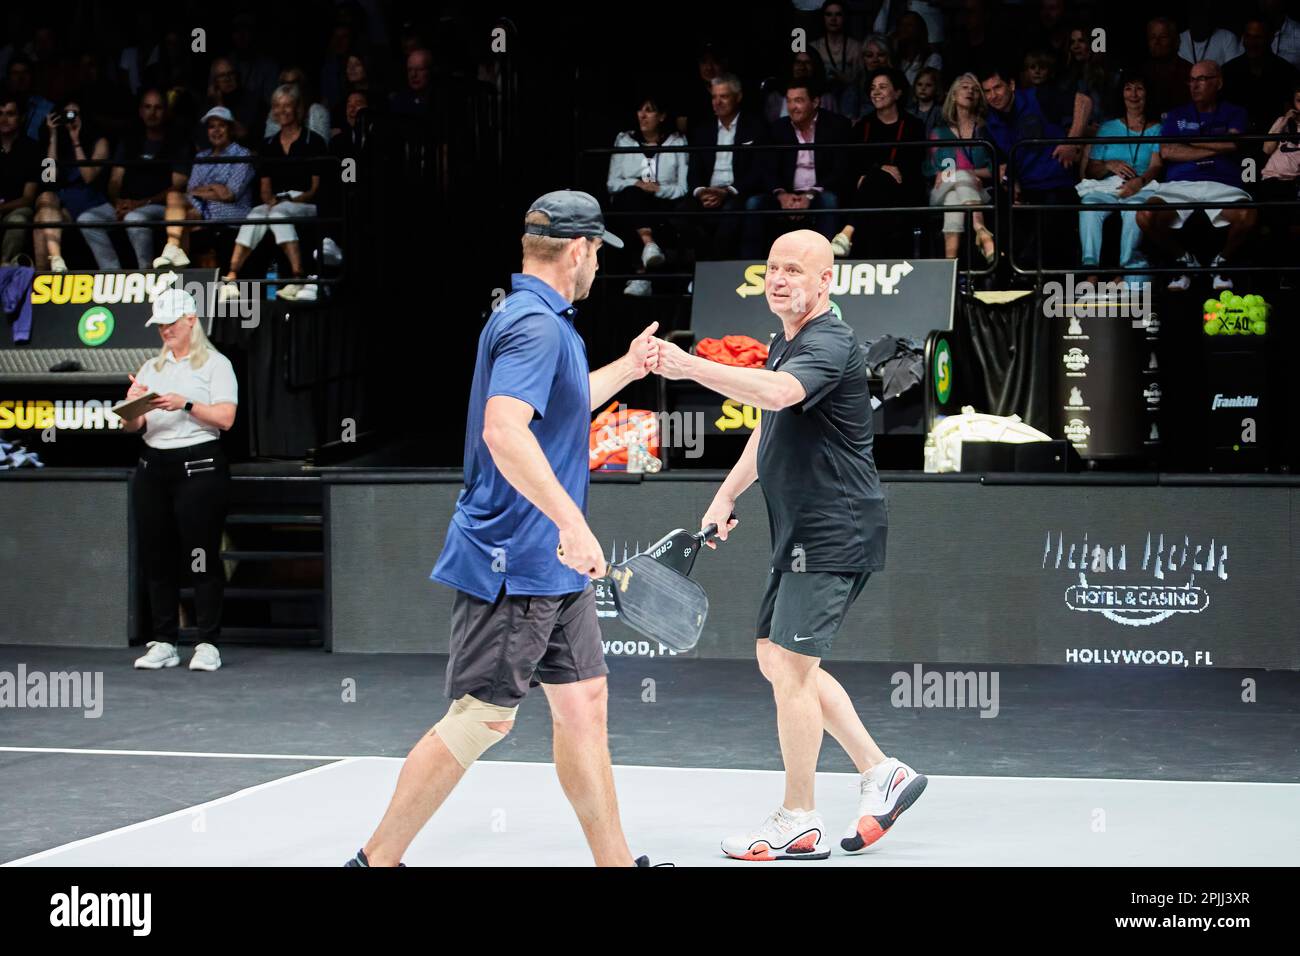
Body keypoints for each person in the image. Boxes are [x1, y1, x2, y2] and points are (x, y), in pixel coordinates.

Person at [347, 191, 668, 868]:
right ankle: (375, 861)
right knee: (482, 717)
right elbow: (503, 429)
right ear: (579, 250)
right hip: (515, 556)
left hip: (549, 559)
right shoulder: (536, 325)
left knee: (584, 705)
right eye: (596, 255)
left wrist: (629, 369)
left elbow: (558, 406)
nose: (596, 268)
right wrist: (572, 522)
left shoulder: (534, 317)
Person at [650, 229, 924, 861]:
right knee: (777, 658)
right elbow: (772, 423)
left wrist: (688, 364)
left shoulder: (829, 341)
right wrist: (727, 495)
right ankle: (882, 773)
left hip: (836, 528)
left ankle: (798, 818)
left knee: (792, 673)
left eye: (794, 270)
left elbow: (775, 395)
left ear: (825, 282)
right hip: (801, 531)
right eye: (772, 268)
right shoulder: (787, 339)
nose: (778, 279)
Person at [120, 288, 238, 674]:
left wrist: (184, 403)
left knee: (200, 555)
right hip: (153, 466)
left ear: (190, 320)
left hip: (199, 467)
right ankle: (165, 640)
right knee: (157, 557)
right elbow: (134, 427)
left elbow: (226, 418)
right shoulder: (153, 368)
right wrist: (132, 404)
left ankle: (207, 642)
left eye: (171, 323)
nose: (165, 331)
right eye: (160, 325)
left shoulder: (216, 365)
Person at [1136, 61, 1256, 291]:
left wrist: (1187, 143)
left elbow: (1233, 143)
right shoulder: (1176, 114)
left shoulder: (1235, 112)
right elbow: (1168, 151)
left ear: (1218, 83)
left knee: (1248, 215)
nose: (1194, 85)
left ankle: (1221, 263)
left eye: (1201, 79)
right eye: (1191, 79)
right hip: (1180, 184)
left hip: (1222, 183)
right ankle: (1184, 260)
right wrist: (1217, 146)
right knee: (1144, 215)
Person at [219, 84, 327, 303]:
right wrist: (271, 201)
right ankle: (231, 276)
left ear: (298, 108)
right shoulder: (268, 144)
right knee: (256, 214)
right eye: (278, 106)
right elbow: (265, 188)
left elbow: (315, 189)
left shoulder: (314, 141)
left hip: (306, 202)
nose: (283, 111)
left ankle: (297, 276)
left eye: (288, 106)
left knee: (278, 213)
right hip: (277, 201)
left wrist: (285, 201)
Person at [981, 66, 1084, 271]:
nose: (993, 95)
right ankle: (1004, 275)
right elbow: (1002, 166)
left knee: (1048, 219)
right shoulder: (990, 124)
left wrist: (1072, 141)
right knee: (998, 213)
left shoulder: (1038, 96)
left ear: (1011, 85)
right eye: (987, 91)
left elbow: (1084, 101)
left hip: (1057, 184)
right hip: (1026, 189)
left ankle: (1026, 273)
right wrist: (1011, 184)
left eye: (997, 88)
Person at [77, 88, 191, 270]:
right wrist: (118, 202)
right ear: (140, 111)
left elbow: (177, 187)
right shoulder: (130, 140)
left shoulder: (178, 141)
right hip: (126, 204)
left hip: (158, 205)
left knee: (134, 218)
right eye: (147, 107)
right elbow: (115, 179)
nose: (152, 113)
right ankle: (111, 272)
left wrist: (139, 204)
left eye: (158, 108)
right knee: (87, 219)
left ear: (166, 112)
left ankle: (144, 272)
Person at [743, 80, 850, 257]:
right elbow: (766, 168)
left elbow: (841, 169)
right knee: (754, 203)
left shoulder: (836, 125)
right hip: (787, 194)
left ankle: (825, 263)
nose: (793, 107)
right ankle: (747, 268)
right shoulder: (777, 128)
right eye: (790, 101)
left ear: (815, 102)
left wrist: (810, 194)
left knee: (829, 201)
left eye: (799, 100)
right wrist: (781, 194)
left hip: (819, 192)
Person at [1077, 74, 1163, 287]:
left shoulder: (1157, 128)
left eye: (1139, 89)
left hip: (1142, 185)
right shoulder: (1107, 128)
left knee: (1135, 207)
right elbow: (1090, 171)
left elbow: (1156, 166)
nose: (1133, 95)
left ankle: (1125, 270)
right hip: (1108, 186)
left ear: (1148, 94)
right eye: (1128, 89)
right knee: (1089, 206)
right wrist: (1108, 165)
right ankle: (1091, 271)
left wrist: (1139, 182)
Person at [831, 67, 926, 258]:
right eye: (873, 87)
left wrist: (874, 172)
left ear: (897, 93)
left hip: (903, 188)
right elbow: (851, 164)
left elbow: (912, 165)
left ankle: (848, 231)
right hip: (866, 188)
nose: (876, 91)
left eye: (882, 87)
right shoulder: (862, 126)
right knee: (876, 180)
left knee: (876, 179)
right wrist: (877, 169)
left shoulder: (913, 125)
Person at [605, 93, 688, 296]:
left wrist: (659, 189)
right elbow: (612, 183)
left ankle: (642, 275)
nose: (642, 115)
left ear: (661, 116)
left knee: (639, 206)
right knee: (631, 196)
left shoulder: (677, 142)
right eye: (640, 110)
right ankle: (648, 245)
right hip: (630, 204)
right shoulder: (624, 140)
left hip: (664, 204)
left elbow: (683, 187)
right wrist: (637, 183)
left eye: (649, 110)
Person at [154, 106, 255, 271]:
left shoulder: (242, 154)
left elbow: (229, 194)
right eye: (211, 126)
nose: (216, 131)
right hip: (200, 211)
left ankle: (176, 273)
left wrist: (207, 188)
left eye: (221, 126)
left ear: (230, 129)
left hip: (230, 215)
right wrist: (215, 188)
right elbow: (191, 191)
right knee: (174, 195)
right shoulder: (201, 157)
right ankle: (172, 248)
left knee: (184, 219)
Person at [681, 74, 767, 260]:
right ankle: (700, 270)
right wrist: (701, 192)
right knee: (682, 211)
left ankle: (716, 270)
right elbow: (693, 171)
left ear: (738, 97)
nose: (717, 102)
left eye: (724, 96)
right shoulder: (703, 130)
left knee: (732, 212)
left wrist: (728, 191)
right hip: (708, 192)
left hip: (736, 192)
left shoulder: (755, 126)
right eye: (714, 97)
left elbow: (759, 171)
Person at [924, 73, 996, 261]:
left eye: (974, 89)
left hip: (979, 192)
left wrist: (963, 174)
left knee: (954, 197)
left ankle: (950, 263)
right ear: (953, 95)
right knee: (957, 183)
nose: (970, 91)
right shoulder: (938, 133)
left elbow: (992, 170)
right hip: (940, 191)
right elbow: (929, 169)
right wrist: (954, 174)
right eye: (964, 87)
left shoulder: (985, 130)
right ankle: (980, 230)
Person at [32, 100, 110, 271]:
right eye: (66, 114)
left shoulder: (98, 141)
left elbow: (88, 176)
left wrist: (76, 141)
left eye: (75, 114)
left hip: (87, 200)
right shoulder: (57, 141)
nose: (71, 119)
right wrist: (52, 137)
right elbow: (49, 178)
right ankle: (56, 259)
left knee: (40, 222)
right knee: (45, 200)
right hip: (61, 200)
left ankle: (42, 275)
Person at [1223, 18, 1299, 139]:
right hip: (1237, 140)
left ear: (1271, 39)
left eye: (1258, 37)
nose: (1252, 42)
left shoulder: (1286, 71)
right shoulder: (1229, 71)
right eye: (1248, 36)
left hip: (1275, 141)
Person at [0, 94, 39, 263]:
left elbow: (28, 198)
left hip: (16, 208)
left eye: (10, 114)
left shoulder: (31, 149)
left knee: (18, 220)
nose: (4, 119)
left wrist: (2, 208)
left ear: (21, 118)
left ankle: (4, 268)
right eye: (0, 114)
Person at [811, 1, 864, 100]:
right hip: (821, 98)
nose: (833, 19)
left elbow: (859, 83)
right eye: (828, 14)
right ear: (823, 18)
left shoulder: (856, 47)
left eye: (838, 14)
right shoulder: (814, 47)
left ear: (845, 17)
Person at [1142, 17, 1193, 119]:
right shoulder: (1140, 72)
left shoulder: (1190, 72)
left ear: (1176, 41)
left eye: (1163, 37)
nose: (1156, 42)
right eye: (1152, 37)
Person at [1178, 1, 1244, 68]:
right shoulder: (1179, 39)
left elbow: (1233, 70)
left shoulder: (1228, 38)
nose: (1199, 22)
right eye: (1196, 16)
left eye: (1203, 18)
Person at [910, 66, 942, 135]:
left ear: (937, 88)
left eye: (928, 85)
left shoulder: (940, 112)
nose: (923, 88)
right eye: (919, 84)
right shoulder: (909, 112)